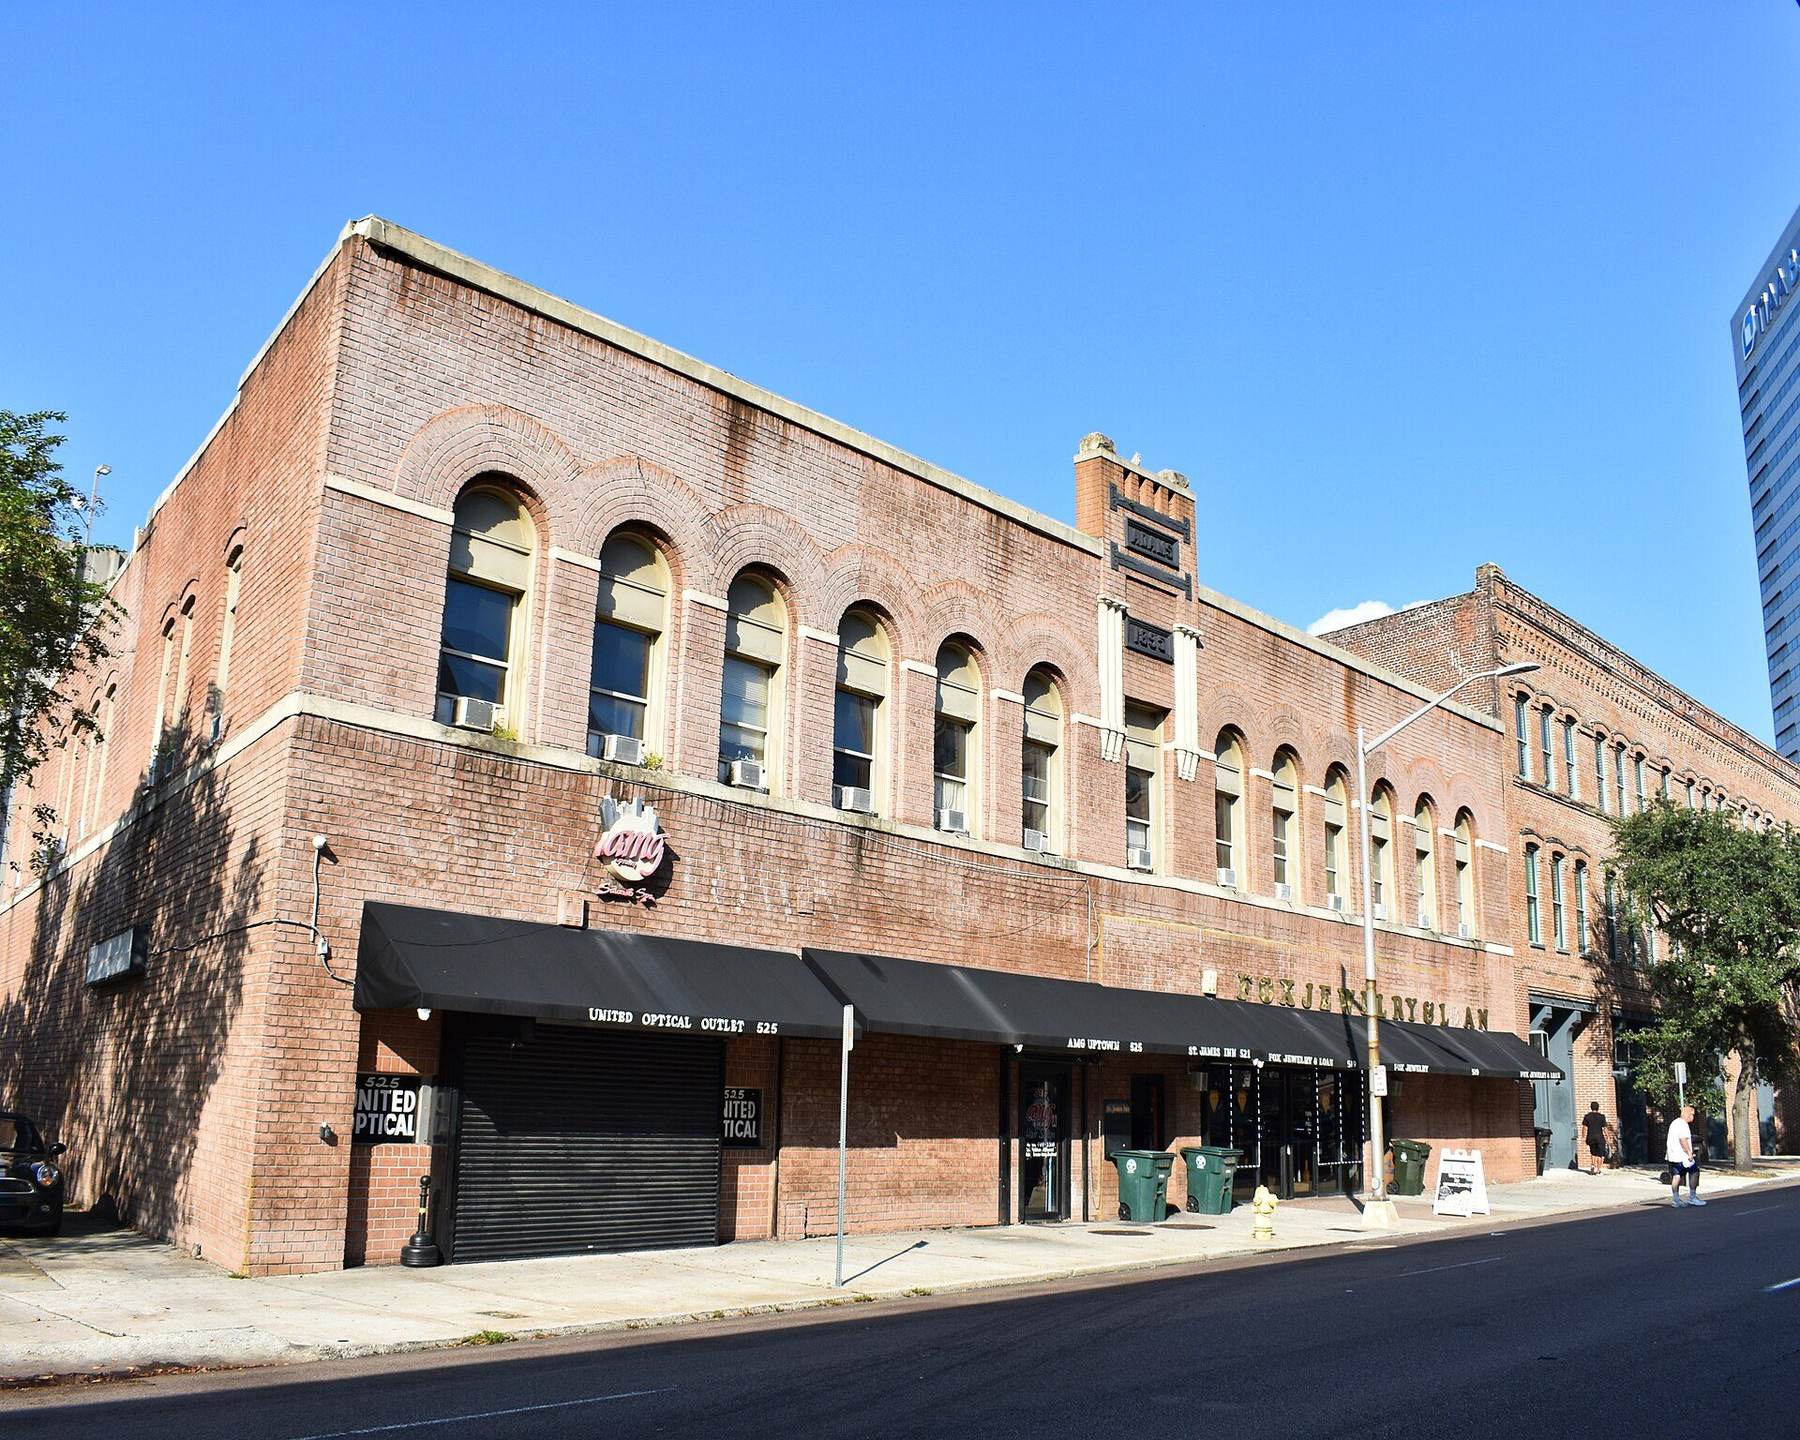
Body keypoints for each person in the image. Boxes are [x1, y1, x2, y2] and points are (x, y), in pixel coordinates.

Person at [1666, 1104, 1705, 1207]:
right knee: (1694, 1171)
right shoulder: (1683, 1124)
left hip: (1673, 1155)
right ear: (1688, 1114)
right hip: (1683, 1156)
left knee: (1677, 1176)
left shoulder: (1674, 1123)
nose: (1693, 1117)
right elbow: (1683, 1140)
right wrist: (1689, 1153)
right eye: (1692, 1114)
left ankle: (1676, 1199)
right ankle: (1692, 1197)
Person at [1581, 1101, 1609, 1175]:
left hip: (1590, 1137)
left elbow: (1584, 1127)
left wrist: (1583, 1137)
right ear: (1598, 1108)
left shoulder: (1587, 1116)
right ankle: (1598, 1170)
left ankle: (1593, 1166)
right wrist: (1608, 1137)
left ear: (1591, 1107)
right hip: (1600, 1137)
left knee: (1593, 1152)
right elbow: (1605, 1128)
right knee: (1600, 1154)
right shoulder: (1602, 1117)